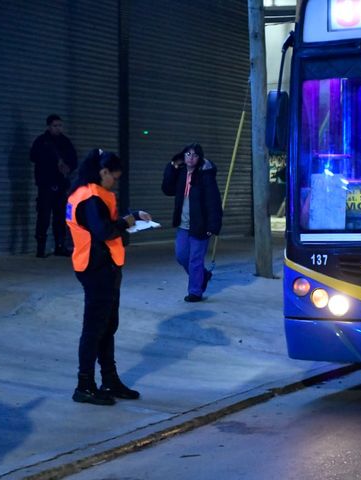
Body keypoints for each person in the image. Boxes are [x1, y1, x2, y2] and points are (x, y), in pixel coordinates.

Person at [66, 148, 151, 406]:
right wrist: (128, 222)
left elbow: (106, 223)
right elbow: (103, 230)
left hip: (105, 266)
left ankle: (109, 379)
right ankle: (85, 385)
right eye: (114, 176)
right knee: (94, 329)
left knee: (107, 326)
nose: (116, 181)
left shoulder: (92, 193)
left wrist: (130, 218)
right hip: (96, 268)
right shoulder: (90, 197)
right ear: (103, 172)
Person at [162, 143, 223, 303]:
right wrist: (173, 166)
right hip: (183, 224)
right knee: (182, 256)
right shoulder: (181, 173)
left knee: (195, 259)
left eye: (195, 155)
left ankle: (195, 292)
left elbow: (213, 201)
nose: (191, 158)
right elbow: (167, 189)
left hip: (200, 225)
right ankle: (203, 275)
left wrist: (213, 226)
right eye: (188, 154)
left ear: (199, 158)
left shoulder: (205, 176)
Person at [30, 114, 78, 258]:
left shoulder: (65, 142)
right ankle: (41, 248)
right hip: (45, 184)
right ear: (49, 126)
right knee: (43, 216)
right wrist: (52, 162)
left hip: (61, 184)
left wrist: (67, 167)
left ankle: (60, 246)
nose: (58, 128)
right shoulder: (41, 141)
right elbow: (33, 157)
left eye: (60, 126)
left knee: (60, 217)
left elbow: (73, 160)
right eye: (55, 126)